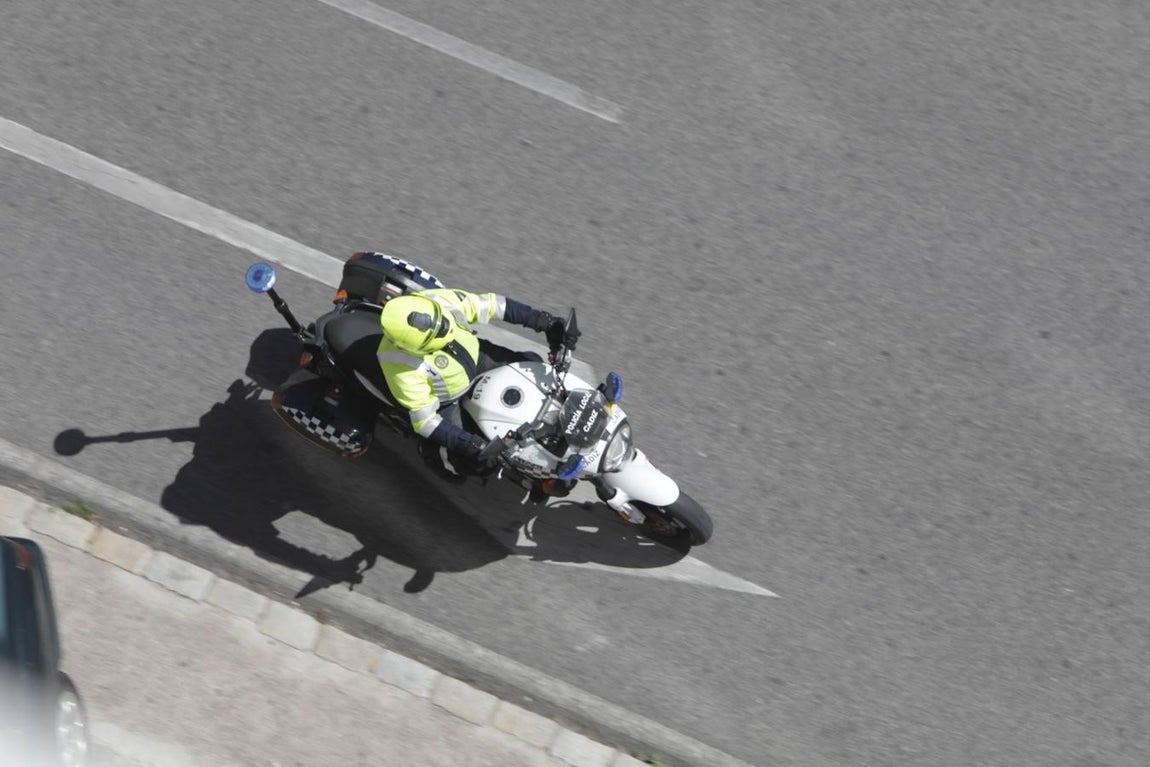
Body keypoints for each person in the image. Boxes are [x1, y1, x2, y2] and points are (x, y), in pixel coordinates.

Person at [377, 287, 565, 479]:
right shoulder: (398, 365)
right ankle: (435, 456)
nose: (448, 330)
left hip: (477, 358)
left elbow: (493, 305)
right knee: (478, 462)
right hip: (450, 402)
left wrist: (543, 321)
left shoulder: (437, 299)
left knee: (534, 364)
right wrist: (471, 445)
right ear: (413, 349)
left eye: (444, 321)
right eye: (436, 337)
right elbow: (425, 422)